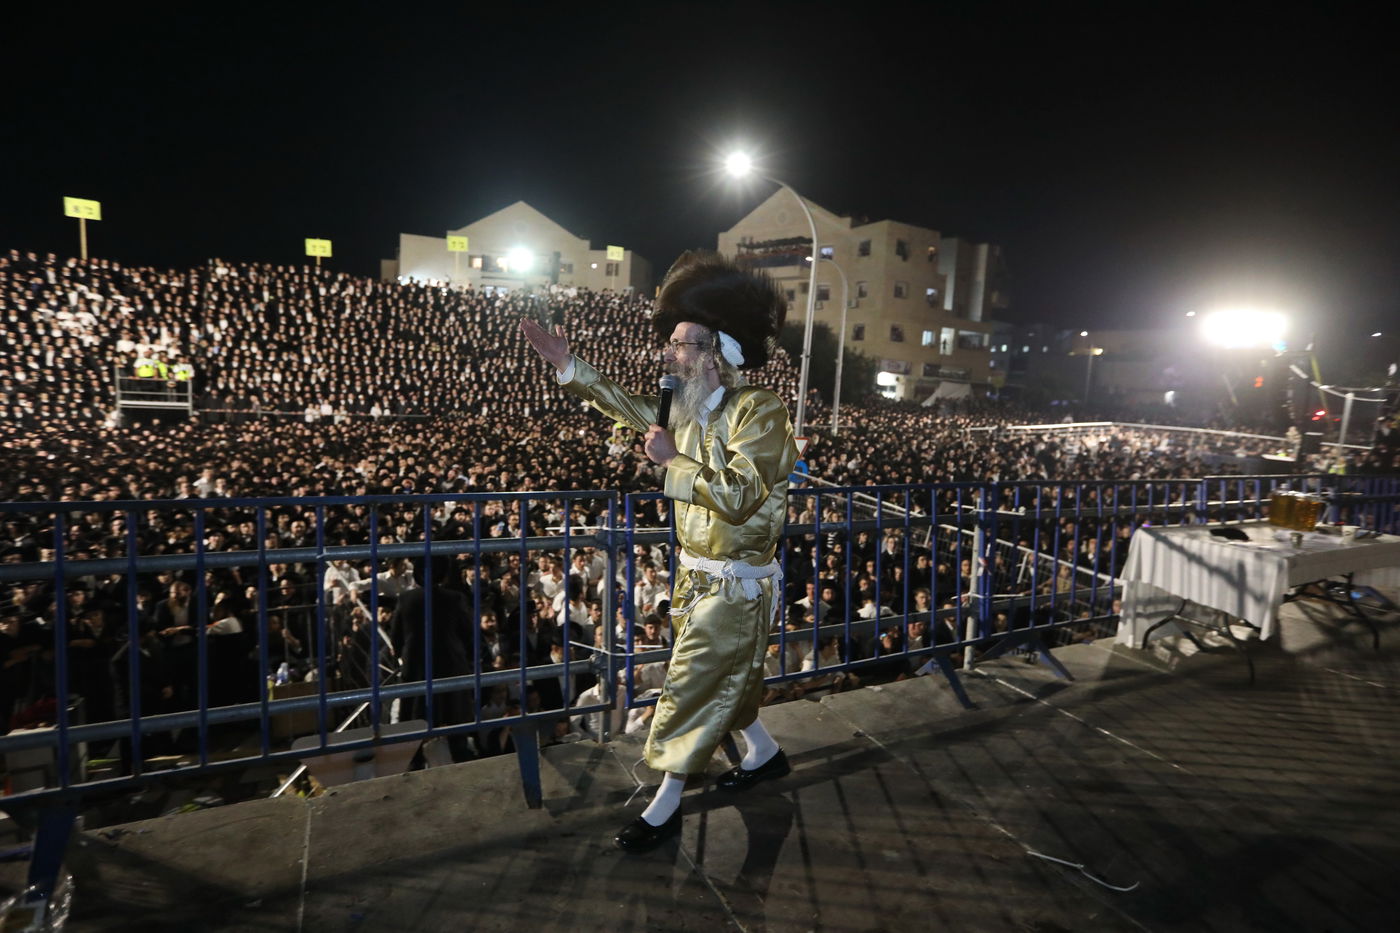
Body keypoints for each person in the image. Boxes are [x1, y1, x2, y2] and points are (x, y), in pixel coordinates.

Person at [521, 249, 797, 853]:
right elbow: (626, 407)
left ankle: (666, 802)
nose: (670, 354)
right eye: (670, 342)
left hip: (736, 581)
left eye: (683, 343)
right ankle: (766, 754)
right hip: (696, 577)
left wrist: (673, 462)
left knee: (691, 681)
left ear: (718, 347)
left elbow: (742, 495)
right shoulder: (692, 409)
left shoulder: (761, 411)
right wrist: (570, 366)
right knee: (729, 679)